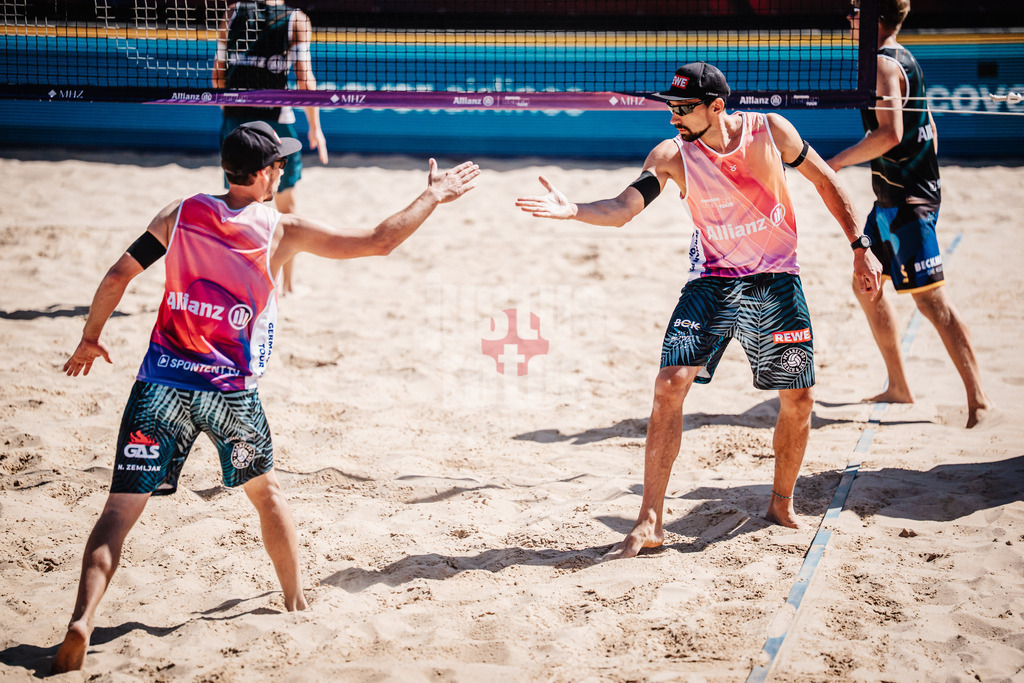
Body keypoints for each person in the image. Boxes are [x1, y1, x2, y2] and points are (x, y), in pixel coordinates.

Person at [51, 121, 480, 673]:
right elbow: (380, 242)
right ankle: (296, 600)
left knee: (117, 512)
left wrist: (90, 338)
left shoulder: (177, 213)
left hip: (159, 384)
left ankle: (82, 620)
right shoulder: (278, 229)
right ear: (262, 173)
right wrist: (432, 195)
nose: (283, 170)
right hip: (229, 393)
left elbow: (118, 274)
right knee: (267, 496)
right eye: (279, 164)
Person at [516, 62, 882, 558]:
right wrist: (574, 210)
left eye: (683, 108)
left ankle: (779, 504)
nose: (673, 118)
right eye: (670, 107)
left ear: (716, 107)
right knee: (669, 385)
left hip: (775, 282)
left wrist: (861, 246)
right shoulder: (673, 155)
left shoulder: (770, 131)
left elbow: (824, 181)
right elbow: (624, 208)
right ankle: (650, 521)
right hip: (712, 281)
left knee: (799, 399)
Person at [827, 0, 991, 428]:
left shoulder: (884, 63)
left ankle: (980, 401)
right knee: (867, 284)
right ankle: (899, 386)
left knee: (933, 303)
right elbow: (929, 126)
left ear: (878, 19)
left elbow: (892, 132)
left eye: (857, 11)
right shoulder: (903, 57)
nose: (849, 17)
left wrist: (839, 162)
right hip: (896, 197)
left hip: (908, 202)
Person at [213, 0, 329, 295]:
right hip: (276, 121)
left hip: (235, 120)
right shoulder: (296, 19)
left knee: (236, 202)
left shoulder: (234, 11)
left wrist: (228, 113)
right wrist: (315, 125)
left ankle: (231, 283)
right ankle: (287, 286)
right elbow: (304, 78)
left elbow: (218, 72)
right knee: (285, 203)